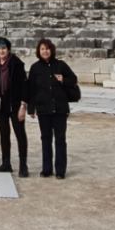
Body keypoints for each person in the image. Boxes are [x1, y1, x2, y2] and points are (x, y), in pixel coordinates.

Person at [24, 37, 79, 179]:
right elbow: (31, 89)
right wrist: (31, 108)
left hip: (60, 109)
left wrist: (63, 79)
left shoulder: (61, 65)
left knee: (60, 139)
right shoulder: (35, 68)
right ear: (38, 51)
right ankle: (46, 169)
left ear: (51, 50)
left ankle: (60, 170)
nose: (45, 51)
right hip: (43, 109)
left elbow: (73, 79)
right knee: (45, 139)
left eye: (47, 48)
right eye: (42, 49)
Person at [0, 36, 29, 177]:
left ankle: (23, 165)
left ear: (8, 49)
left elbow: (25, 86)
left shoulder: (17, 64)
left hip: (15, 104)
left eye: (4, 48)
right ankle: (6, 163)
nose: (1, 51)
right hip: (1, 105)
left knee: (20, 134)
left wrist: (23, 106)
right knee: (4, 135)